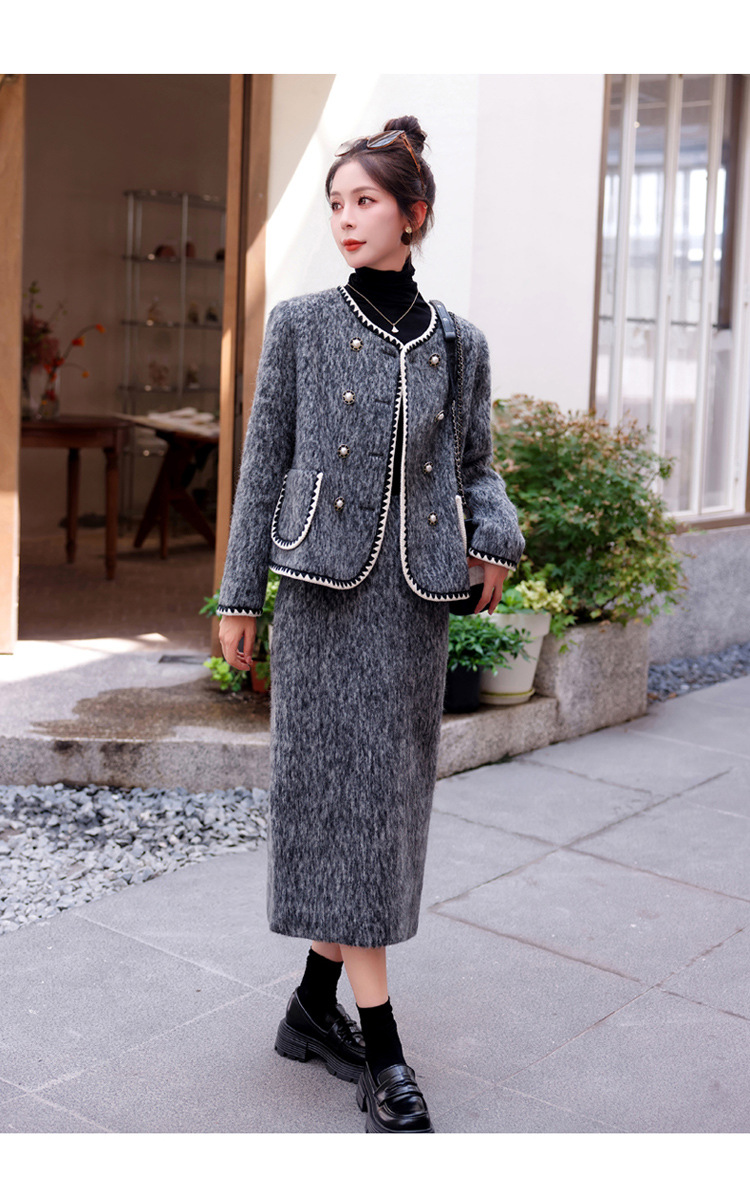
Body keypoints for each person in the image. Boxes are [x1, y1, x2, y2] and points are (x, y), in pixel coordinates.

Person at [217, 115, 525, 1134]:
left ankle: (314, 1007)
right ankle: (382, 1050)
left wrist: (495, 534)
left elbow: (477, 466)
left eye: (365, 201)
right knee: (339, 806)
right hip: (319, 597)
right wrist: (239, 597)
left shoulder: (460, 345)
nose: (346, 218)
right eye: (337, 203)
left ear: (412, 215)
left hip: (411, 607)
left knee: (383, 811)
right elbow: (262, 466)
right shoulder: (300, 326)